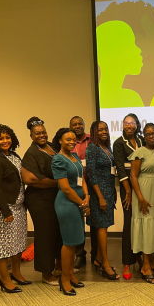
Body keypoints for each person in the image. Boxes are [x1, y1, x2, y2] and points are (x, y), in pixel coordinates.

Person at [0, 124, 30, 294]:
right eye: (1, 138)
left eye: (7, 137)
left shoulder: (13, 155)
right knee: (1, 245)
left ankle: (16, 273)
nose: (5, 140)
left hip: (16, 208)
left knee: (17, 243)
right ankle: (5, 280)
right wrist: (6, 211)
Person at [21, 117, 61, 286]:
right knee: (45, 235)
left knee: (57, 233)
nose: (42, 135)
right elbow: (31, 179)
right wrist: (59, 183)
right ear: (31, 136)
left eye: (43, 132)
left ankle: (59, 266)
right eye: (37, 133)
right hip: (39, 200)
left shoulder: (51, 147)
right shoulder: (31, 153)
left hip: (55, 197)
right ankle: (46, 273)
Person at [51, 128, 90, 296]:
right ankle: (64, 279)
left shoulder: (74, 156)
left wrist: (87, 196)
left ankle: (71, 274)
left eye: (74, 139)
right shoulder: (58, 159)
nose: (72, 142)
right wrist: (83, 203)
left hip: (78, 203)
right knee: (68, 243)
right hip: (67, 204)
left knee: (75, 242)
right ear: (60, 141)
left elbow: (82, 179)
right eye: (68, 139)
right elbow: (66, 188)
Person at [128, 123, 154, 284]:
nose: (151, 136)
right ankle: (145, 267)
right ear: (143, 136)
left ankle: (153, 263)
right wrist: (141, 198)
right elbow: (133, 176)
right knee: (146, 229)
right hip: (144, 193)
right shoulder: (139, 152)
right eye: (148, 134)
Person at [113, 113, 145, 280]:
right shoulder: (119, 143)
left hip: (143, 187)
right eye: (126, 123)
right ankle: (127, 262)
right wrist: (127, 192)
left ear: (137, 125)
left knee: (141, 225)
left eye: (132, 123)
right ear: (123, 125)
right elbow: (120, 167)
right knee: (129, 225)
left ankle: (139, 258)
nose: (129, 125)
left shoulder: (142, 140)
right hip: (128, 189)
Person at [86, 121, 119, 280]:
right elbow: (91, 174)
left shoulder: (106, 147)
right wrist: (99, 197)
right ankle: (105, 263)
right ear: (94, 132)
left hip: (108, 192)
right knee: (101, 227)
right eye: (100, 130)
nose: (104, 131)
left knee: (103, 226)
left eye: (105, 129)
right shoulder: (92, 148)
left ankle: (99, 259)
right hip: (98, 194)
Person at [69, 116, 94, 272]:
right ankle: (80, 254)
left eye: (80, 124)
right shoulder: (68, 142)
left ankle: (97, 254)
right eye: (74, 124)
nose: (77, 126)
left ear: (84, 125)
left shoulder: (92, 140)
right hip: (75, 187)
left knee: (94, 219)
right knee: (78, 221)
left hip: (92, 184)